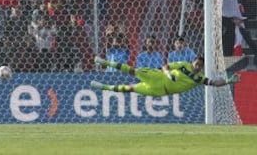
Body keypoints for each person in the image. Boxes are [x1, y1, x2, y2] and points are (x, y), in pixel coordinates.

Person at [91, 55, 241, 96]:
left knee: (130, 88)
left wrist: (228, 81)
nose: (198, 66)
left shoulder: (199, 79)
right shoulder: (183, 64)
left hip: (160, 91)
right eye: (197, 63)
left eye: (200, 65)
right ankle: (105, 62)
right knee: (132, 70)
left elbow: (215, 83)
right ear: (193, 61)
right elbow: (165, 66)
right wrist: (168, 74)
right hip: (158, 77)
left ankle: (103, 87)